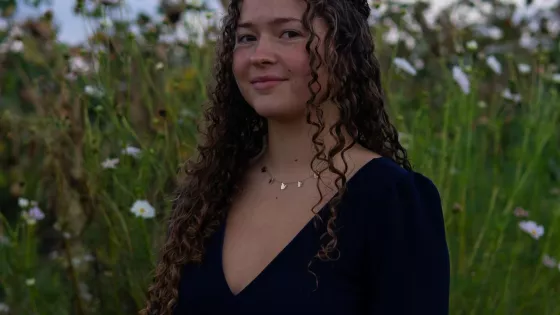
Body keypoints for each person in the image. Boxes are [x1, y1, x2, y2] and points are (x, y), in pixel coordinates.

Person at [142, 0, 450, 314]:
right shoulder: (207, 197)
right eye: (246, 37)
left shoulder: (391, 199)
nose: (259, 55)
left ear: (343, 49)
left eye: (289, 33)